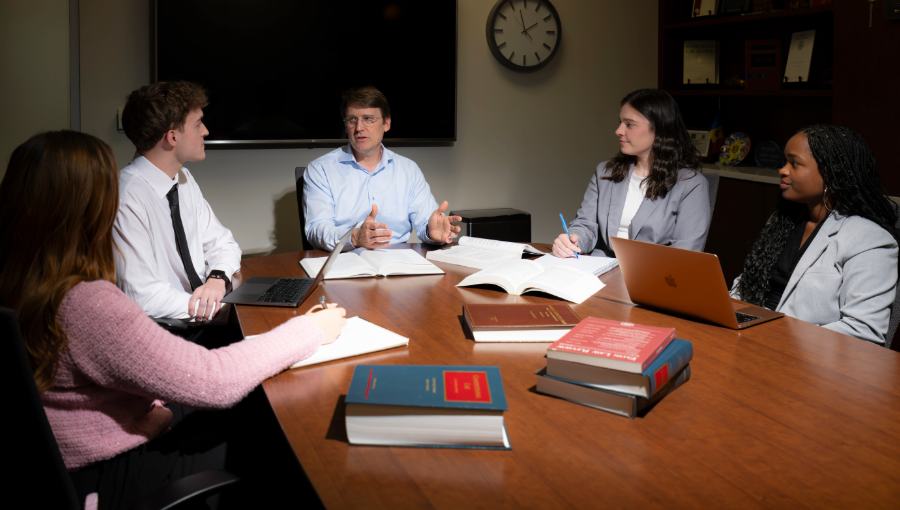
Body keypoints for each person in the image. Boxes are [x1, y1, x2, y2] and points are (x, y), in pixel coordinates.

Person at [0, 131, 347, 508]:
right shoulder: (86, 303)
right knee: (274, 433)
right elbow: (214, 380)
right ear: (91, 207)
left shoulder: (18, 282)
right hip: (115, 474)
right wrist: (311, 329)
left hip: (81, 466)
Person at [731, 125, 899, 345]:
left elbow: (863, 331)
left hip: (803, 356)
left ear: (830, 173)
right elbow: (745, 286)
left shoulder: (869, 239)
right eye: (784, 162)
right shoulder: (782, 222)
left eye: (795, 164)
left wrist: (774, 336)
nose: (782, 170)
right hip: (747, 338)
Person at [116, 81, 238, 320]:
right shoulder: (126, 196)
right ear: (172, 137)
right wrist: (216, 307)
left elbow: (224, 244)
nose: (205, 131)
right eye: (198, 124)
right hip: (167, 327)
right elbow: (145, 298)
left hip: (198, 314)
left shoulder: (183, 178)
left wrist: (216, 280)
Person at [552, 89, 710, 258]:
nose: (618, 131)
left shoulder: (690, 184)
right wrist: (573, 240)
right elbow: (586, 224)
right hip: (600, 267)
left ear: (659, 129)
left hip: (653, 271)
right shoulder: (605, 172)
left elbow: (685, 252)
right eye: (620, 122)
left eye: (629, 124)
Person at [303, 86, 461, 251]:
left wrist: (432, 231)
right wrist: (354, 237)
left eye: (368, 119)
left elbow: (426, 222)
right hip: (345, 258)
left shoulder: (408, 170)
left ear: (386, 123)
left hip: (398, 260)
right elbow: (316, 228)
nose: (359, 128)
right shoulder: (320, 170)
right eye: (352, 120)